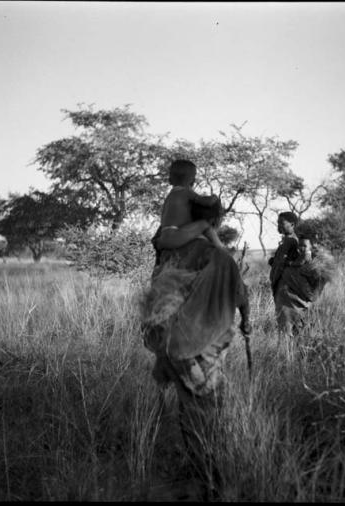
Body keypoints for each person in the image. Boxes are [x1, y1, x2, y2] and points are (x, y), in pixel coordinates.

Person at [141, 165, 252, 499]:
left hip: (168, 344)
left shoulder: (167, 257)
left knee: (188, 407)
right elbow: (242, 296)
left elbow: (154, 301)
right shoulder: (219, 258)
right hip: (199, 346)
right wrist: (246, 322)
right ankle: (208, 477)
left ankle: (195, 465)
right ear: (211, 221)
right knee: (207, 410)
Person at [269, 213, 334, 339]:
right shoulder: (292, 241)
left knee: (286, 331)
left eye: (282, 223)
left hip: (287, 292)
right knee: (296, 329)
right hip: (289, 289)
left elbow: (288, 266)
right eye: (278, 222)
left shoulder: (291, 242)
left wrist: (276, 281)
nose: (278, 225)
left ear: (292, 225)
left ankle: (288, 356)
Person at [155, 159, 225, 251]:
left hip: (164, 237)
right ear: (191, 179)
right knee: (204, 224)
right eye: (194, 176)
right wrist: (214, 197)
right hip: (175, 236)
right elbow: (206, 202)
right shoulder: (186, 192)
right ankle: (222, 248)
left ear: (171, 179)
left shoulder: (170, 196)